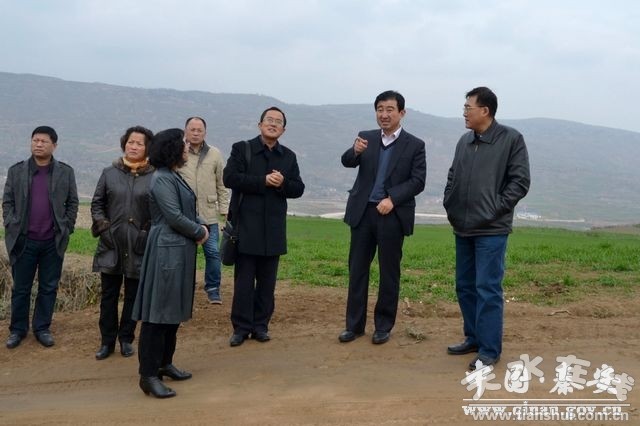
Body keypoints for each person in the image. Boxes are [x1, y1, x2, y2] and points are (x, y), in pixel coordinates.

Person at [443, 86, 530, 371]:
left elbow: (520, 182)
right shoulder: (464, 141)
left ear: (485, 110)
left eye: (468, 107)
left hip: (492, 230)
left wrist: (494, 210)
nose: (464, 112)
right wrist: (450, 203)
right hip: (463, 227)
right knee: (465, 286)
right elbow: (453, 175)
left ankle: (489, 350)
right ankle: (474, 338)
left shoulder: (511, 139)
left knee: (487, 288)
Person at [338, 90, 426, 345]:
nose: (384, 114)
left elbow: (418, 181)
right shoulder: (366, 138)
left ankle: (383, 326)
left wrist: (393, 199)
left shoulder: (414, 145)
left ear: (402, 113)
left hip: (391, 214)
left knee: (389, 272)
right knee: (357, 270)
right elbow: (347, 162)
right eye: (379, 109)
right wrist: (354, 151)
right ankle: (354, 326)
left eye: (389, 109)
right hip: (363, 213)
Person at [131, 128, 209, 398]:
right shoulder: (162, 178)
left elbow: (184, 210)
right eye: (183, 144)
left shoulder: (172, 175)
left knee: (171, 311)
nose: (187, 148)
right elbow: (174, 216)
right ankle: (148, 376)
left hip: (177, 250)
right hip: (166, 251)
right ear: (172, 149)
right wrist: (199, 231)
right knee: (158, 314)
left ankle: (164, 363)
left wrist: (200, 224)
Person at [223, 106, 305, 347]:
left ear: (283, 130)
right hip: (246, 228)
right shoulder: (242, 149)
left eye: (278, 122)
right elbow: (230, 178)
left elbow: (298, 188)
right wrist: (263, 181)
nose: (273, 124)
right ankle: (241, 328)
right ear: (260, 125)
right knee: (244, 283)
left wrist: (282, 183)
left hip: (274, 230)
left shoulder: (288, 156)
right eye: (269, 120)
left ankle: (261, 326)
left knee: (267, 285)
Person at [3, 126, 79, 349]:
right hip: (23, 240)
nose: (38, 144)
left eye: (43, 141)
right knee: (21, 288)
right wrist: (10, 223)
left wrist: (67, 227)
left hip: (52, 241)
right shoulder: (17, 171)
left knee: (48, 287)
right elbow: (7, 201)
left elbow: (73, 202)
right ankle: (17, 330)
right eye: (35, 140)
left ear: (54, 145)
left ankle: (42, 328)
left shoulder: (65, 172)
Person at [90, 126, 154, 360]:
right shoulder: (109, 173)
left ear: (147, 148)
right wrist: (104, 227)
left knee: (133, 295)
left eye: (139, 143)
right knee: (108, 295)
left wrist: (146, 232)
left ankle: (126, 338)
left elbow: (157, 208)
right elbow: (97, 204)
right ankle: (106, 341)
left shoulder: (154, 176)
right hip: (111, 243)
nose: (133, 147)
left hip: (139, 244)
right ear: (124, 144)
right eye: (130, 142)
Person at [178, 117, 229, 304]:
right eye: (192, 129)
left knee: (213, 253)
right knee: (183, 255)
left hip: (209, 214)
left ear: (205, 133)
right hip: (185, 215)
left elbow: (222, 183)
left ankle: (213, 288)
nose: (196, 133)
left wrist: (224, 209)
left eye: (199, 130)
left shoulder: (214, 153)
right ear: (185, 131)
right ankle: (183, 288)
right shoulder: (178, 152)